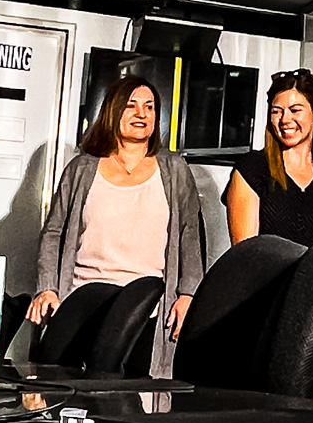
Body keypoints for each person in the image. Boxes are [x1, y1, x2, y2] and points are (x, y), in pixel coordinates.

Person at [27, 70, 209, 374]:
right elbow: (53, 233)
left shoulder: (175, 170)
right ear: (113, 112)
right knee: (73, 396)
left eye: (149, 107)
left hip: (147, 312)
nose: (142, 114)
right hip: (82, 303)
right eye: (131, 105)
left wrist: (188, 294)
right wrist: (47, 288)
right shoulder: (82, 169)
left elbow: (190, 236)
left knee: (133, 400)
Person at [224, 68, 313, 247]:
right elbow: (247, 257)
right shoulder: (252, 170)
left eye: (295, 110)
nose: (285, 119)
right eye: (276, 111)